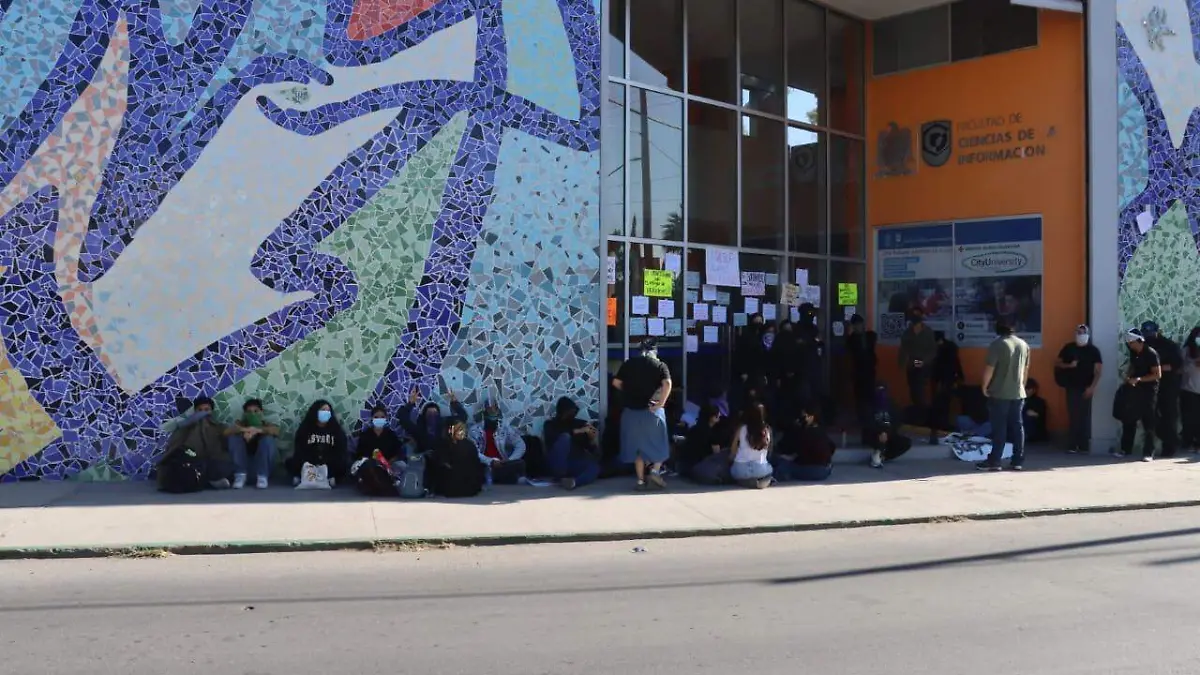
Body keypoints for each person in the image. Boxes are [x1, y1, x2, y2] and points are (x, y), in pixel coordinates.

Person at [612, 338, 673, 491]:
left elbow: (616, 383)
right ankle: (654, 472)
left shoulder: (629, 364)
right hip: (652, 410)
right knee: (660, 444)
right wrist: (661, 403)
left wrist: (629, 392)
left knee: (638, 449)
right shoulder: (659, 365)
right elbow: (667, 383)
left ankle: (640, 481)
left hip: (631, 412)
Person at [978, 318, 1031, 471]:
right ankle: (1017, 460)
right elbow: (1026, 370)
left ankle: (995, 461)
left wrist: (984, 386)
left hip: (999, 393)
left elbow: (990, 368)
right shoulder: (1024, 345)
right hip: (1018, 393)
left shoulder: (997, 344)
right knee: (1017, 427)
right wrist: (1022, 387)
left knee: (999, 427)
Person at [159, 396, 235, 489]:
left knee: (220, 467)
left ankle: (205, 480)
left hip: (212, 461)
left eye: (206, 410)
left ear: (212, 411)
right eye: (200, 410)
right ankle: (207, 482)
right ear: (195, 412)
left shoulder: (220, 427)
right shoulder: (186, 427)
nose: (203, 413)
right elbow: (176, 445)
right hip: (191, 460)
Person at [1054, 324, 1103, 454]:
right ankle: (1072, 444)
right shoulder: (1068, 348)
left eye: (1083, 333)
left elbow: (1098, 371)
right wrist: (1069, 365)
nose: (1081, 335)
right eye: (1079, 333)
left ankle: (1083, 445)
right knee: (1073, 415)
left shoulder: (1093, 351)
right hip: (1072, 386)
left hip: (1086, 386)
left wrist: (1092, 388)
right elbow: (1057, 363)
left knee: (1084, 415)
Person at [1115, 329, 1161, 461]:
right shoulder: (1134, 353)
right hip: (1134, 391)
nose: (1130, 345)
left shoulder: (1151, 354)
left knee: (1148, 423)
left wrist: (1140, 379)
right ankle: (1125, 449)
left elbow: (1157, 374)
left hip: (1148, 393)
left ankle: (1148, 453)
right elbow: (1133, 366)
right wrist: (1128, 377)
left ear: (1139, 341)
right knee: (1129, 420)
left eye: (1132, 342)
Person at [542, 396, 601, 490]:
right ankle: (560, 476)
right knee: (565, 438)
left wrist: (592, 439)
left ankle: (573, 482)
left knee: (594, 467)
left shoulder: (578, 423)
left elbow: (593, 451)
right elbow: (555, 437)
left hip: (572, 464)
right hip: (557, 463)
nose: (571, 414)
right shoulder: (550, 424)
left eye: (573, 412)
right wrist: (578, 431)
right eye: (569, 412)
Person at [1142, 321, 1182, 457]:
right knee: (1150, 418)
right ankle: (1171, 440)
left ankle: (1169, 448)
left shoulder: (1170, 346)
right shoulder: (1144, 346)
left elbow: (1178, 366)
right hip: (1151, 386)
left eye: (1151, 333)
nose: (1148, 336)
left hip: (1168, 386)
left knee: (1169, 417)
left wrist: (1161, 368)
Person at [288, 400, 348, 487]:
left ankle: (331, 478)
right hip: (309, 463)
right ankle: (301, 476)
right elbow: (299, 449)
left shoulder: (336, 430)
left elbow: (341, 450)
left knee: (343, 464)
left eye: (328, 411)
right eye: (323, 410)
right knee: (290, 462)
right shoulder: (305, 429)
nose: (326, 413)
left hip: (329, 463)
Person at [225, 398, 280, 489]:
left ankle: (262, 477)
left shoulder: (266, 425)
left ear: (261, 412)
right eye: (249, 412)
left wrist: (258, 430)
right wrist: (245, 430)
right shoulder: (240, 424)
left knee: (268, 439)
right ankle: (240, 475)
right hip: (244, 469)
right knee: (234, 438)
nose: (253, 414)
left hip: (263, 471)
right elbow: (226, 432)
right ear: (245, 414)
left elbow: (276, 431)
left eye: (256, 411)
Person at [468, 399, 527, 485]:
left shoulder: (504, 427)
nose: (492, 411)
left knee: (520, 463)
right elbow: (474, 451)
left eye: (495, 408)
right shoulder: (474, 430)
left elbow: (520, 445)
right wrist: (490, 461)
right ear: (484, 411)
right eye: (489, 409)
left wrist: (509, 460)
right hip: (485, 464)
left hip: (502, 463)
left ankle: (504, 478)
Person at [772, 403, 836, 481]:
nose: (802, 418)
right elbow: (832, 447)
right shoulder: (821, 430)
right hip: (826, 469)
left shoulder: (807, 432)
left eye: (804, 416)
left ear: (811, 417)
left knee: (782, 463)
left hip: (814, 470)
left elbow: (796, 453)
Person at [898, 309, 937, 427]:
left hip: (923, 365)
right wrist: (902, 363)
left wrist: (923, 362)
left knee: (920, 392)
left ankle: (923, 418)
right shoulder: (908, 332)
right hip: (912, 365)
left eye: (917, 324)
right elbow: (903, 349)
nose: (915, 327)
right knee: (913, 391)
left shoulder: (928, 332)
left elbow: (933, 351)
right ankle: (918, 416)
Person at [428, 420, 485, 497]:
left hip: (465, 484)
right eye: (458, 429)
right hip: (453, 483)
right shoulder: (444, 444)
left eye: (462, 429)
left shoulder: (469, 445)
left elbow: (475, 464)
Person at [863, 384, 912, 468]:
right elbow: (867, 423)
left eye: (883, 391)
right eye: (878, 390)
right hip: (873, 434)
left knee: (906, 442)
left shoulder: (892, 405)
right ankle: (876, 457)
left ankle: (883, 457)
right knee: (880, 438)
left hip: (888, 433)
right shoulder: (868, 405)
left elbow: (897, 421)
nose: (881, 394)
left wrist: (887, 432)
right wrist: (880, 432)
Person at [929, 331, 964, 443]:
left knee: (937, 404)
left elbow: (926, 363)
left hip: (941, 381)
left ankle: (937, 428)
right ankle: (942, 425)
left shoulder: (939, 351)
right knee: (945, 404)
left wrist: (915, 365)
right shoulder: (951, 349)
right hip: (948, 380)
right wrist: (960, 376)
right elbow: (956, 363)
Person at [730, 402, 773, 489]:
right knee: (770, 470)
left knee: (735, 473)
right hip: (760, 469)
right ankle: (761, 481)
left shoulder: (741, 429)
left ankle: (746, 482)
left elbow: (733, 449)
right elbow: (769, 451)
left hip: (741, 468)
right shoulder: (766, 430)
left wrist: (731, 458)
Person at [845, 315, 876, 425]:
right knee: (860, 395)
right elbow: (850, 348)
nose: (858, 327)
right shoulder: (852, 338)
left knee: (869, 394)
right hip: (858, 370)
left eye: (860, 324)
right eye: (856, 325)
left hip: (868, 370)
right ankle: (862, 417)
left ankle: (868, 416)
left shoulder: (869, 336)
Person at [1180, 327, 1200, 451]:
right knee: (1189, 419)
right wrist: (1194, 364)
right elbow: (1180, 369)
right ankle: (1188, 442)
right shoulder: (1186, 351)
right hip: (1189, 391)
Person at [1022, 378, 1049, 444]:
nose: (1027, 391)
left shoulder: (1039, 401)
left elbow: (1040, 415)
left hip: (1035, 430)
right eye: (1026, 388)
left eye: (1029, 389)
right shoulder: (1019, 401)